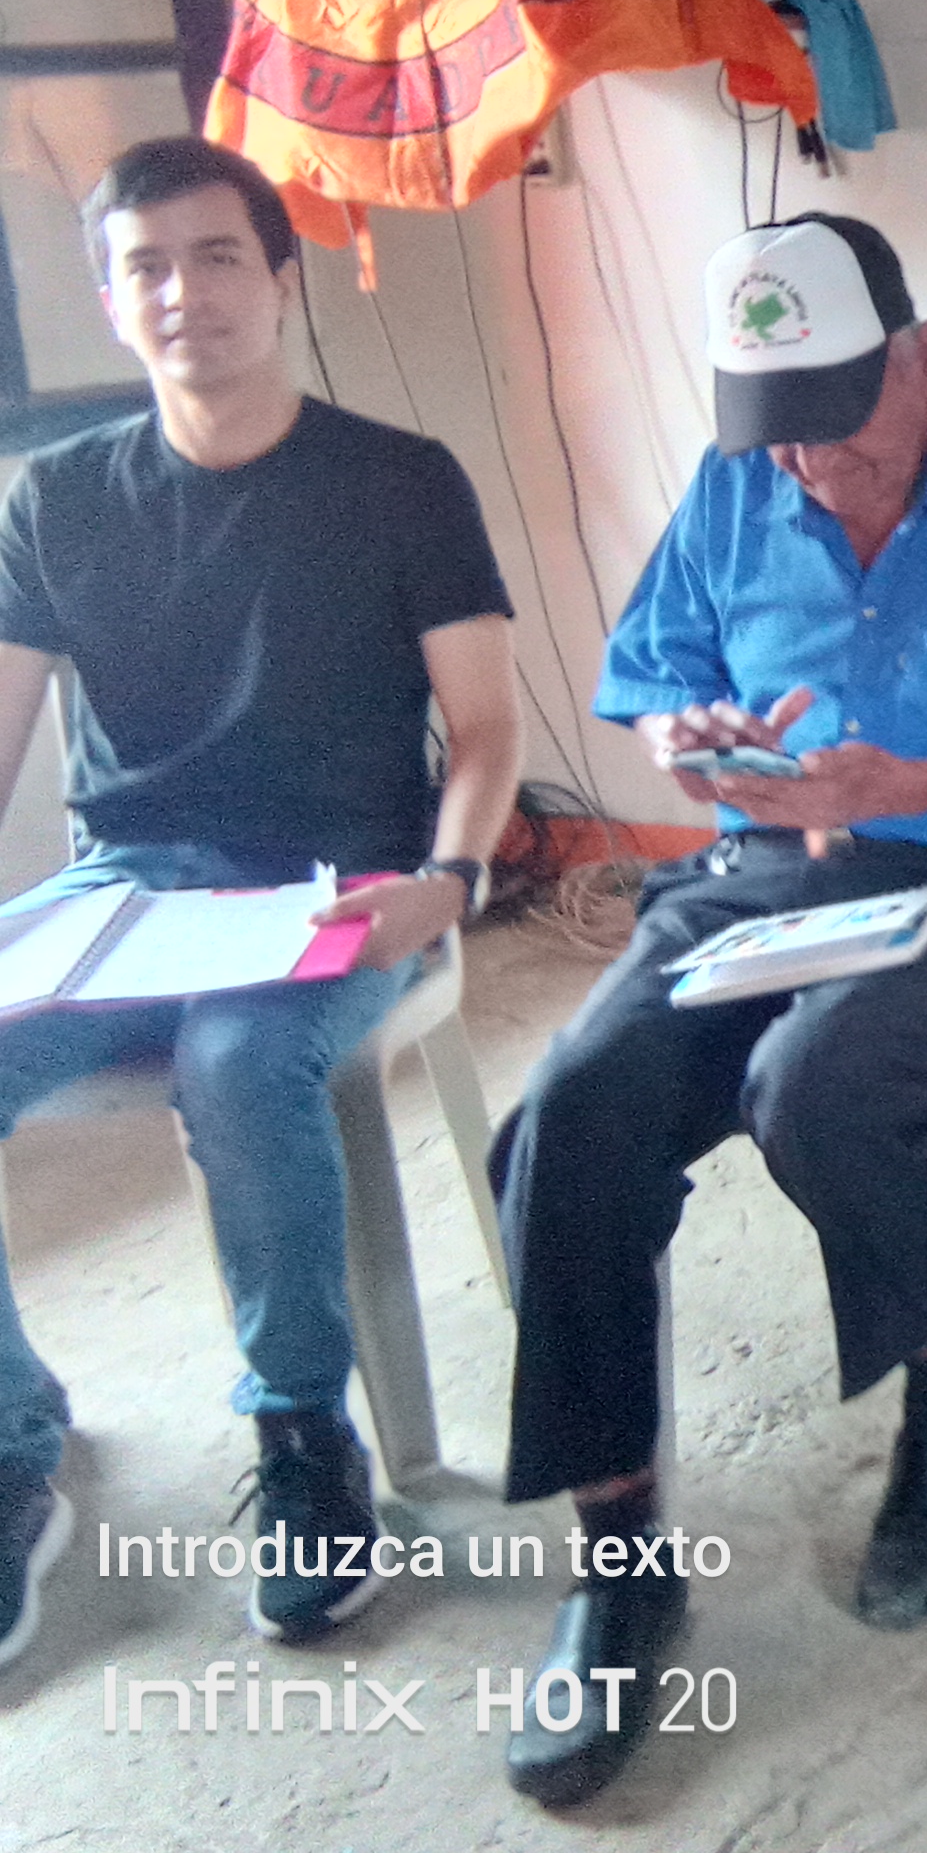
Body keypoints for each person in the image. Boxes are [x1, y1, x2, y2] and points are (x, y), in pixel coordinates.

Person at [490, 214, 927, 1807]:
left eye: (838, 420)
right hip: (768, 872)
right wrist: (693, 740)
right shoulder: (741, 483)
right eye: (779, 434)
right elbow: (658, 676)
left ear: (923, 358)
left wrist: (910, 784)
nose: (811, 467)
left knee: (820, 1086)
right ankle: (618, 1547)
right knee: (571, 1112)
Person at [0, 136, 520, 1660]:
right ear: (111, 303)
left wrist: (450, 878)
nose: (186, 293)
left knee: (238, 1065)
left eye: (219, 255)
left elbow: (487, 732)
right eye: (146, 268)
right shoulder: (57, 499)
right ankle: (17, 1448)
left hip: (342, 884)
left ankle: (303, 1438)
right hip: (131, 885)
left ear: (282, 279)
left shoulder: (400, 482)